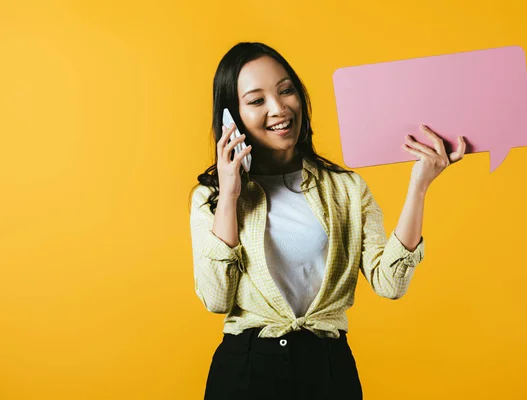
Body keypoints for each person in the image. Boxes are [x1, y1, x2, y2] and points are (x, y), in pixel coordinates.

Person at [189, 42, 466, 400]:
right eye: (257, 100)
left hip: (326, 368)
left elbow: (390, 283)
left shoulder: (346, 188)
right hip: (246, 370)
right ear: (232, 117)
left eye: (286, 90)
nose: (279, 108)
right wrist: (229, 195)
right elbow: (216, 299)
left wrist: (419, 185)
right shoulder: (209, 198)